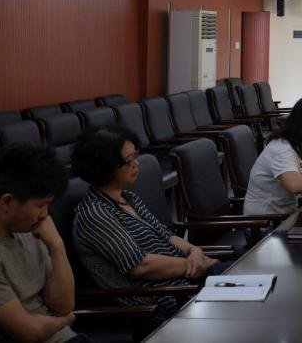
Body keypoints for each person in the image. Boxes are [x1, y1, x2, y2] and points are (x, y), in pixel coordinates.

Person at [70, 126, 227, 314]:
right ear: (105, 167)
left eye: (135, 156)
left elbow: (167, 236)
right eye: (129, 160)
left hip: (188, 280)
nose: (136, 164)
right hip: (166, 298)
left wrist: (195, 251)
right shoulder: (94, 214)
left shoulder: (129, 198)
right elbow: (141, 266)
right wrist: (195, 264)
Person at [0, 143, 78, 343]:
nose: (45, 215)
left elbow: (62, 305)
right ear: (7, 202)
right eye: (41, 205)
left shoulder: (27, 230)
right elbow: (32, 333)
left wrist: (57, 245)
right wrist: (66, 321)